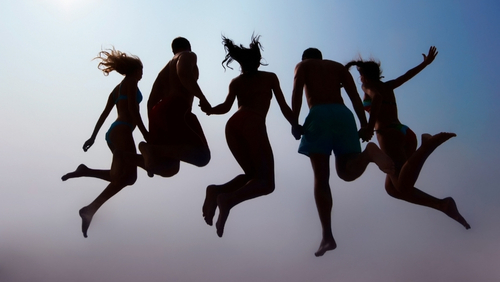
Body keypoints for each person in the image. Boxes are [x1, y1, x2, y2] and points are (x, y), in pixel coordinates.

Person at [345, 46, 470, 232]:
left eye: (360, 75)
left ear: (364, 75)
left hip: (389, 136)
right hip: (404, 133)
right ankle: (442, 205)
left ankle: (428, 145)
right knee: (392, 189)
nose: (360, 79)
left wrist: (370, 127)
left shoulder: (367, 86)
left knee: (402, 186)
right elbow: (407, 76)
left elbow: (377, 98)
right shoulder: (387, 85)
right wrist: (425, 64)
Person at [291, 48, 395, 257]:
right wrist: (365, 125)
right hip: (343, 115)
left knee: (322, 179)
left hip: (319, 114)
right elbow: (355, 97)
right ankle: (368, 155)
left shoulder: (303, 66)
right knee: (346, 172)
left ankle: (327, 236)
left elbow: (296, 92)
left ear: (305, 58)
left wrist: (294, 122)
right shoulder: (337, 67)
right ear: (321, 57)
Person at [200, 35, 301, 237]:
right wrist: (296, 124)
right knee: (267, 183)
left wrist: (210, 110)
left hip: (233, 125)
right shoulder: (270, 77)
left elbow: (226, 107)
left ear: (241, 64)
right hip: (252, 123)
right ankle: (227, 200)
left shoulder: (236, 82)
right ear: (257, 61)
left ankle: (216, 191)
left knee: (253, 177)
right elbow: (283, 106)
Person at [61, 48, 149, 238]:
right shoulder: (131, 82)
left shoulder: (116, 89)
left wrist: (93, 137)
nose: (143, 74)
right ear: (135, 70)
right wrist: (146, 134)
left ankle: (86, 178)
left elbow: (104, 114)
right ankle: (90, 207)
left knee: (125, 177)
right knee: (128, 176)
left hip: (113, 133)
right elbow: (134, 110)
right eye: (141, 70)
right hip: (123, 129)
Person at [139, 37, 211, 176]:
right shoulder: (187, 55)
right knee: (202, 156)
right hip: (177, 108)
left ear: (173, 50)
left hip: (158, 112)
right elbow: (183, 73)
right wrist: (203, 98)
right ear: (189, 46)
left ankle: (127, 157)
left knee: (169, 167)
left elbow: (150, 102)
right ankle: (152, 150)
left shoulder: (163, 72)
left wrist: (153, 130)